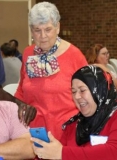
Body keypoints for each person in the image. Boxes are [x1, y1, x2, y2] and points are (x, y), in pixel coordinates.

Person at [14, 2, 87, 140]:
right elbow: (21, 92)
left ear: (57, 27)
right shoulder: (28, 54)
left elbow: (87, 96)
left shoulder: (75, 56)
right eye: (37, 30)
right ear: (31, 30)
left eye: (48, 29)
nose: (43, 36)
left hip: (66, 135)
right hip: (33, 135)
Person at [31, 65, 117, 160]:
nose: (77, 96)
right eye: (73, 92)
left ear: (100, 90)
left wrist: (62, 153)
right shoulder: (73, 126)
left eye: (82, 90)